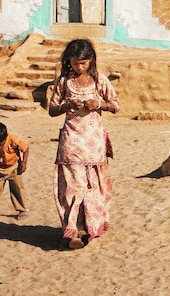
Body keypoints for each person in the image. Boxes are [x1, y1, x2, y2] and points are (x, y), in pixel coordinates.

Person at [48, 38, 120, 249]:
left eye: (84, 63)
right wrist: (66, 105)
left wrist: (99, 104)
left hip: (94, 142)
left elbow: (116, 105)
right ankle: (73, 232)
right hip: (71, 141)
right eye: (76, 63)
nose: (80, 67)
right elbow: (52, 109)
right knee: (73, 186)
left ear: (91, 61)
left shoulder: (100, 80)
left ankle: (89, 227)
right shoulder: (63, 82)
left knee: (92, 186)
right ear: (69, 61)